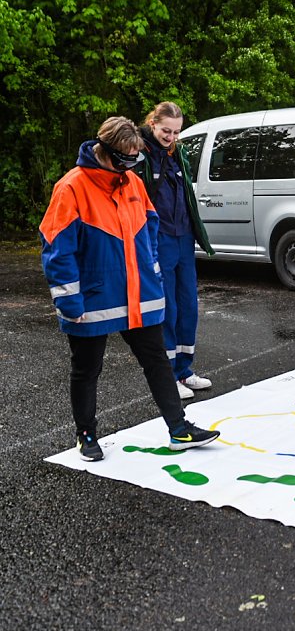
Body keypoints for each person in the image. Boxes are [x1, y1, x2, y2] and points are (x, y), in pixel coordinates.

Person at [39, 117, 220, 461]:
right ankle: (87, 435)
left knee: (158, 363)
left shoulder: (132, 183)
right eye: (125, 159)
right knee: (87, 369)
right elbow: (56, 250)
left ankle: (179, 430)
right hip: (93, 300)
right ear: (104, 152)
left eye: (135, 159)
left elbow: (151, 227)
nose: (130, 166)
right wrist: (69, 302)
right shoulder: (71, 188)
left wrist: (152, 268)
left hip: (140, 297)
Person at [137, 102, 214, 399]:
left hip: (184, 238)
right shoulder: (140, 154)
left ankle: (185, 370)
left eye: (176, 132)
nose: (171, 136)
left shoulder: (178, 151)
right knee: (166, 307)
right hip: (159, 239)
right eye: (166, 131)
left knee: (188, 306)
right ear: (153, 124)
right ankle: (168, 375)